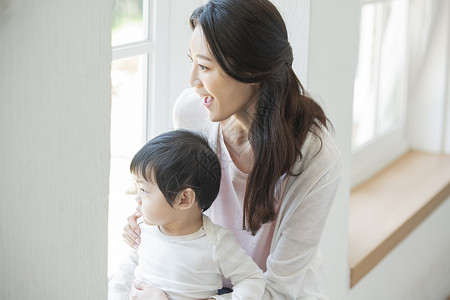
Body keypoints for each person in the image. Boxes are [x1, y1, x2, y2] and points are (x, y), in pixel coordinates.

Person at [123, 0, 343, 298]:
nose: (192, 81)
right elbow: (185, 207)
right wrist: (153, 219)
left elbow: (277, 291)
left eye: (204, 66)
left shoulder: (315, 159)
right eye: (192, 62)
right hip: (204, 286)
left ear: (251, 70)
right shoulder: (192, 112)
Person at [109, 130, 265, 300]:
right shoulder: (144, 230)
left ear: (184, 199)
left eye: (144, 190)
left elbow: (252, 279)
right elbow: (125, 276)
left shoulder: (216, 243)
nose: (137, 198)